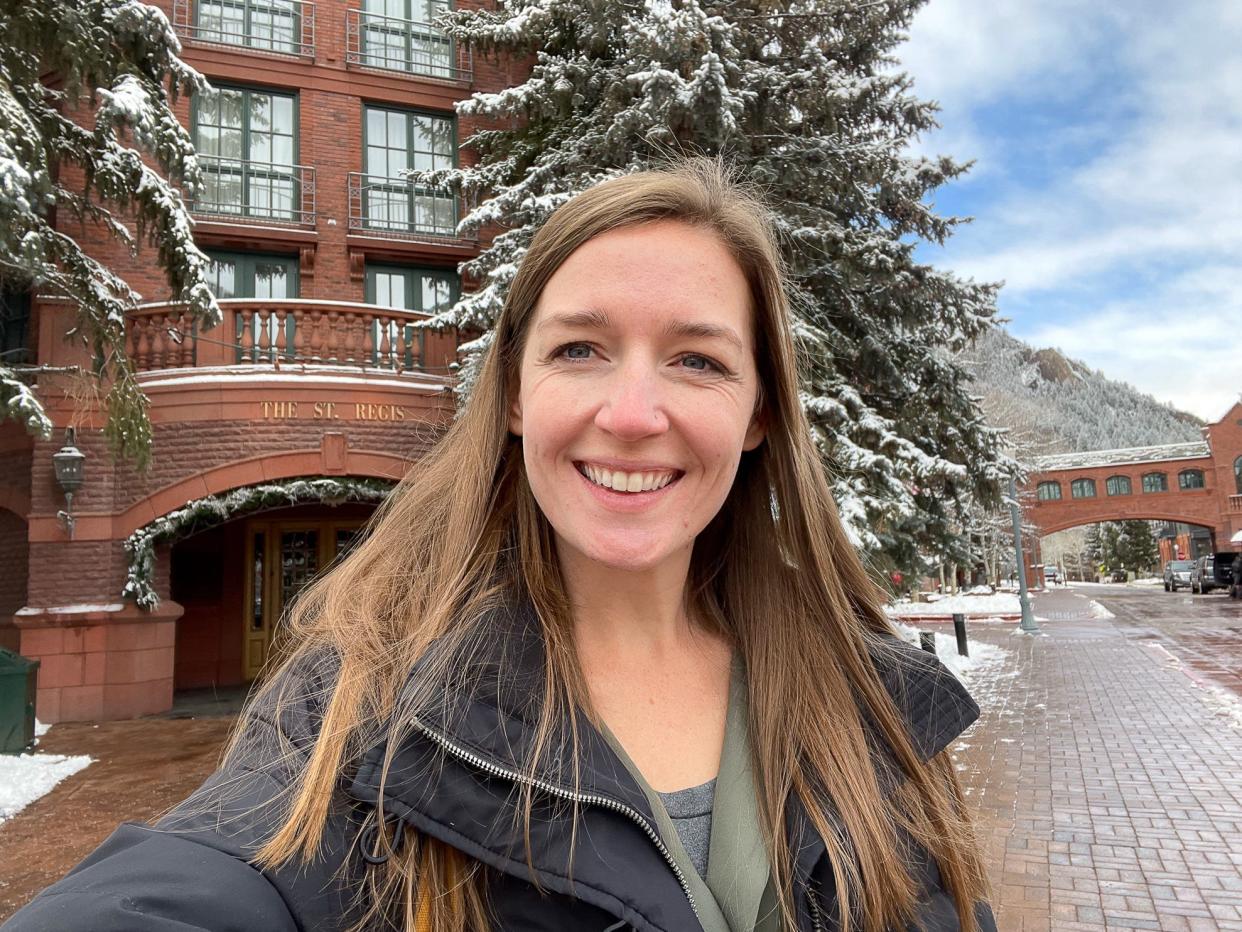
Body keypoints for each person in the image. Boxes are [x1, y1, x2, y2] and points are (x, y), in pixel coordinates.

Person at [4, 158, 994, 932]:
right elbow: (209, 875)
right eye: (579, 348)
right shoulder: (365, 702)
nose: (634, 412)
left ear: (758, 413)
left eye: (697, 358)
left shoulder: (874, 704)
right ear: (516, 394)